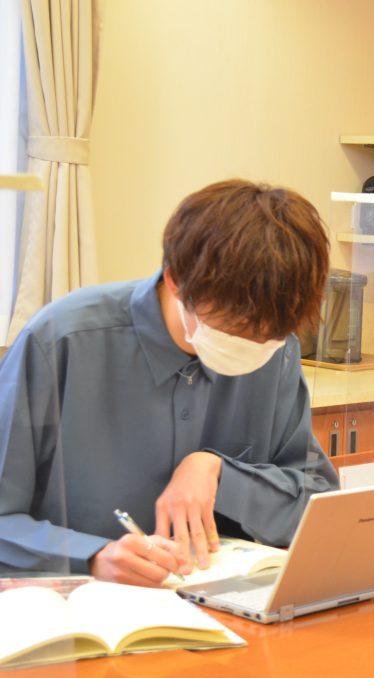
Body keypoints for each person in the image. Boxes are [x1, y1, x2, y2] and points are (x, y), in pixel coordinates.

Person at [0, 180, 340, 587]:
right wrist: (91, 557)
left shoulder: (275, 350)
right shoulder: (62, 341)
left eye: (271, 334)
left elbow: (318, 503)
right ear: (176, 280)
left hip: (222, 606)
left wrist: (220, 473)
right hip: (80, 606)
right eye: (237, 327)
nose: (254, 344)